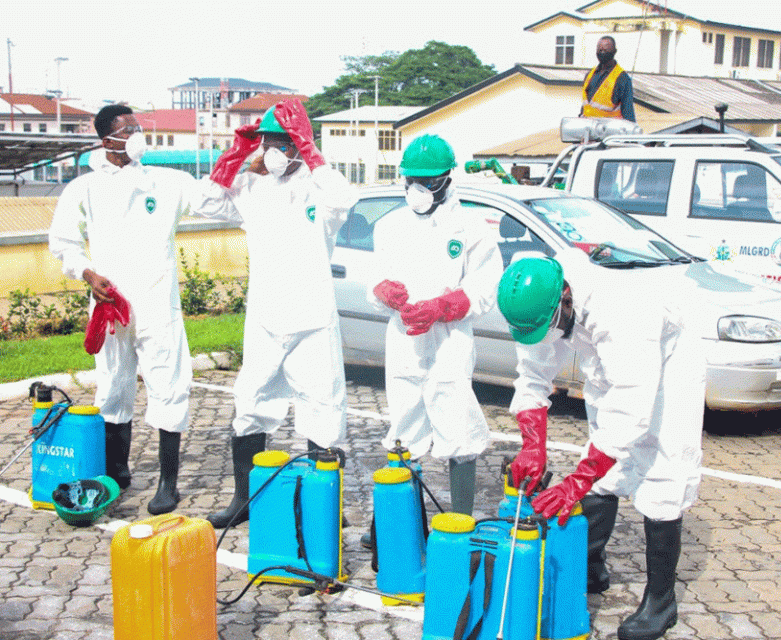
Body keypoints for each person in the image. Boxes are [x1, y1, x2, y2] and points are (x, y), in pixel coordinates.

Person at [498, 254, 705, 640]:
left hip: (668, 355)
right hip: (609, 354)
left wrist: (576, 481)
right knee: (603, 460)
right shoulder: (540, 301)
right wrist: (532, 443)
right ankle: (589, 566)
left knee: (662, 470)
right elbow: (532, 374)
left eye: (548, 326)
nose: (544, 335)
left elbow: (631, 406)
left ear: (566, 299)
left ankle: (662, 602)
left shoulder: (620, 309)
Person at [195, 98, 358, 529]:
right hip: (266, 318)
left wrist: (308, 149)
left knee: (323, 412)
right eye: (267, 140)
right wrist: (234, 153)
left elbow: (345, 198)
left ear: (300, 144)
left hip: (313, 318)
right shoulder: (252, 189)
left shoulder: (319, 190)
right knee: (249, 404)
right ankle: (242, 500)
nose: (273, 148)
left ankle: (325, 507)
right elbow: (206, 203)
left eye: (282, 141)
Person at [49, 104, 198, 516]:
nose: (137, 134)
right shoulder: (84, 189)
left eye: (138, 127)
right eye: (128, 129)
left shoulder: (167, 181)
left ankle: (168, 484)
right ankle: (118, 471)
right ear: (106, 139)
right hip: (112, 303)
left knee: (168, 384)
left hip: (157, 303)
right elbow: (64, 241)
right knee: (113, 387)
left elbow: (216, 199)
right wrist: (86, 273)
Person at [367, 134, 503, 516]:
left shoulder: (471, 228)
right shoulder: (389, 226)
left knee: (457, 427)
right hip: (403, 341)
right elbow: (373, 281)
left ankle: (460, 521)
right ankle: (402, 525)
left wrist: (443, 306)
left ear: (447, 179)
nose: (419, 190)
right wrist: (383, 292)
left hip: (448, 343)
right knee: (404, 430)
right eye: (412, 181)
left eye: (428, 182)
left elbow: (484, 290)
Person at [581, 36, 636, 122]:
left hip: (610, 131)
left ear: (614, 52)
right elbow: (585, 107)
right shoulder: (589, 75)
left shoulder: (622, 78)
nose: (602, 52)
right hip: (588, 129)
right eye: (600, 50)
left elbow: (628, 114)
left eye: (606, 50)